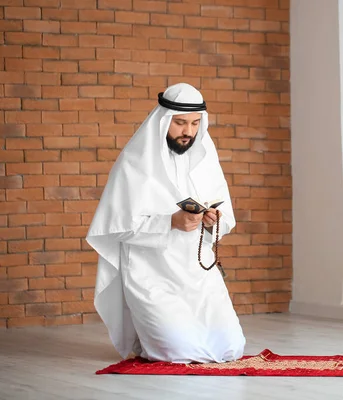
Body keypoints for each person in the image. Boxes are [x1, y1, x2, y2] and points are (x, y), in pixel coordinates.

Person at [86, 83, 245, 364]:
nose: (188, 132)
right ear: (163, 121)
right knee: (177, 352)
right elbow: (114, 227)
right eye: (180, 122)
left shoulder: (206, 160)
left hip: (199, 273)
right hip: (151, 276)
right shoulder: (134, 164)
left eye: (195, 123)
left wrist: (212, 221)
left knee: (230, 349)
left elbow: (227, 218)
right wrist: (169, 222)